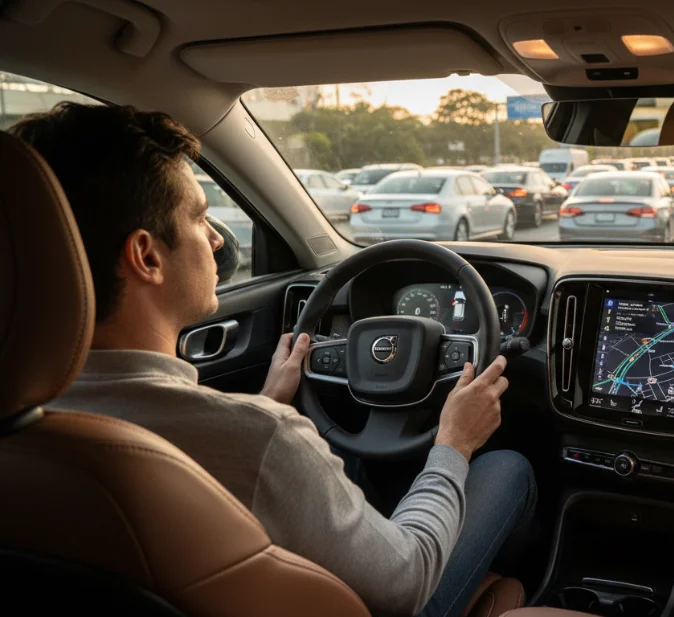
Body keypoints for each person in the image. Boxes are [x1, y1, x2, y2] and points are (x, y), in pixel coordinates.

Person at [13, 102, 535, 617]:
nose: (217, 238)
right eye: (198, 216)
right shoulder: (258, 438)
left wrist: (267, 402)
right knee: (508, 468)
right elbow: (407, 583)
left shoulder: (23, 425)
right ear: (146, 256)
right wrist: (453, 442)